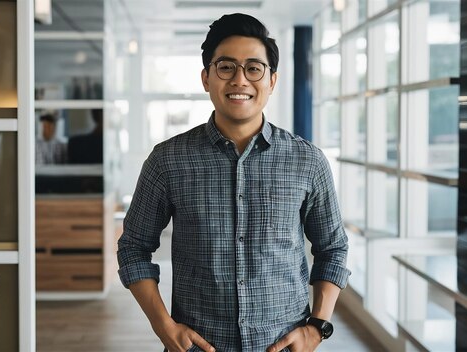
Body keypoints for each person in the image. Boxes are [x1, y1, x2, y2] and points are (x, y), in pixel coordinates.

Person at [117, 13, 350, 352]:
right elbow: (133, 248)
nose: (240, 80)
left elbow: (333, 249)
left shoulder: (308, 161)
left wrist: (316, 327)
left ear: (272, 80)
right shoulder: (168, 160)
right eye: (226, 67)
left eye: (253, 68)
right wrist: (163, 326)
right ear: (206, 78)